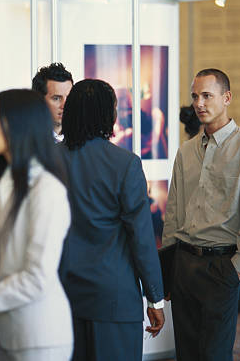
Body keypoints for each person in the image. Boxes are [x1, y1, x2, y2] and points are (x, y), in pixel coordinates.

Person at [162, 68, 240, 361]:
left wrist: (236, 268)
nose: (199, 103)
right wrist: (169, 267)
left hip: (222, 266)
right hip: (183, 264)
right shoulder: (185, 151)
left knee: (215, 354)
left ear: (227, 98)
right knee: (186, 353)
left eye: (207, 95)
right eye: (195, 96)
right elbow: (173, 212)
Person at [58, 79, 165, 361]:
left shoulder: (48, 160)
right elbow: (141, 238)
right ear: (108, 115)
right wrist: (155, 297)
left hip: (63, 296)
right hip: (113, 298)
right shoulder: (125, 164)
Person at [0, 89, 73, 361]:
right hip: (8, 333)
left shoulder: (46, 189)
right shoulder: (4, 186)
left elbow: (36, 278)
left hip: (40, 338)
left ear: (20, 124)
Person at [32, 63, 73, 142]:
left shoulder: (82, 142)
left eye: (69, 98)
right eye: (57, 98)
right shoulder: (26, 141)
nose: (65, 105)